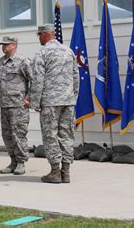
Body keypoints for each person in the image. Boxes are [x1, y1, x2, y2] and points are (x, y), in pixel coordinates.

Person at [30, 24, 79, 184]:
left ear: (44, 35)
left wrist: (35, 103)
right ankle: (66, 172)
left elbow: (38, 80)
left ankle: (55, 172)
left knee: (50, 135)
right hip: (68, 101)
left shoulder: (42, 53)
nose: (39, 38)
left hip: (50, 102)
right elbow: (75, 76)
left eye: (39, 35)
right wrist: (73, 97)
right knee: (66, 135)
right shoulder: (68, 51)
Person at [0, 36, 32, 175]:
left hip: (18, 106)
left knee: (19, 135)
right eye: (2, 45)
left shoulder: (23, 61)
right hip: (4, 105)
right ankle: (13, 161)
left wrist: (28, 98)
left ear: (14, 45)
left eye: (6, 44)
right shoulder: (0, 62)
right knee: (7, 135)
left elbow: (34, 80)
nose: (3, 47)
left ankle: (21, 162)